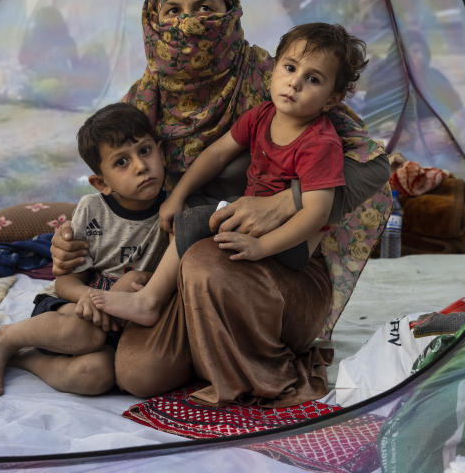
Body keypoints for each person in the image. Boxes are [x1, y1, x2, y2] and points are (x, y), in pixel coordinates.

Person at [51, 0, 391, 407]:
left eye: (206, 7)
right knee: (137, 373)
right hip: (178, 265)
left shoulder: (274, 84)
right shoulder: (144, 100)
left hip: (271, 268)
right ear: (154, 20)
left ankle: (244, 358)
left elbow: (374, 166)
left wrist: (284, 202)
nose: (190, 24)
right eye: (174, 11)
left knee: (205, 260)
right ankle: (204, 342)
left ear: (231, 12)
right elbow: (118, 190)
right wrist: (71, 245)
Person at [91, 23, 367, 327]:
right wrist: (178, 196)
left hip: (292, 241)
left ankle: (150, 301)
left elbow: (317, 213)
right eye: (290, 68)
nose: (295, 83)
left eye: (313, 79)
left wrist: (263, 246)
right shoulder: (262, 116)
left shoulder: (319, 143)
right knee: (192, 204)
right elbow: (216, 154)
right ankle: (168, 290)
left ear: (331, 99)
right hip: (252, 212)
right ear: (274, 70)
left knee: (196, 220)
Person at [0, 103, 169, 396]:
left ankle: (25, 358)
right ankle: (5, 339)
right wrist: (94, 299)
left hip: (123, 324)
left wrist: (117, 298)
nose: (140, 166)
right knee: (84, 332)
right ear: (102, 183)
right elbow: (66, 281)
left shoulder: (175, 211)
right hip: (72, 311)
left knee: (95, 375)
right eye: (121, 162)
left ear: (161, 152)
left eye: (145, 151)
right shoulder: (93, 209)